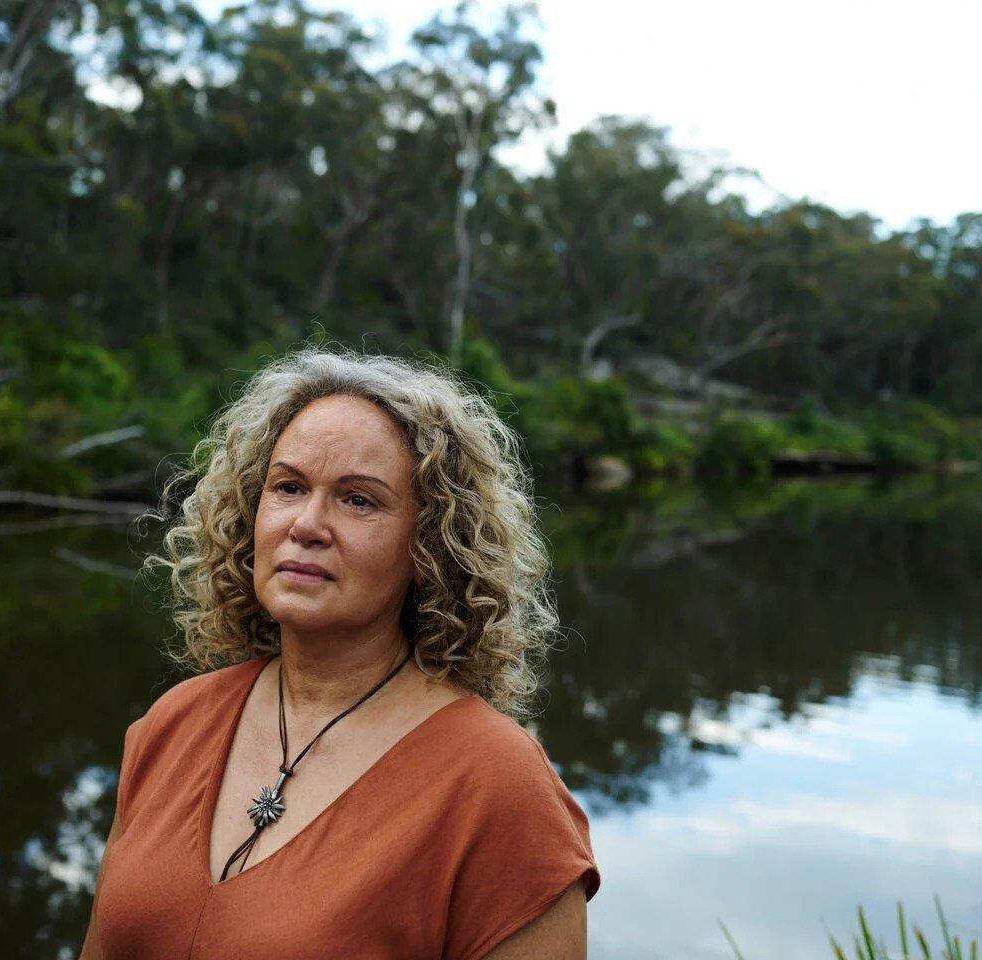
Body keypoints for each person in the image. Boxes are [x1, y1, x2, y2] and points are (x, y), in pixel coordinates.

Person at [80, 348, 600, 959]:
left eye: (358, 500)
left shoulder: (497, 785)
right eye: (289, 487)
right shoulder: (172, 725)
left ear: (433, 545)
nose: (307, 523)